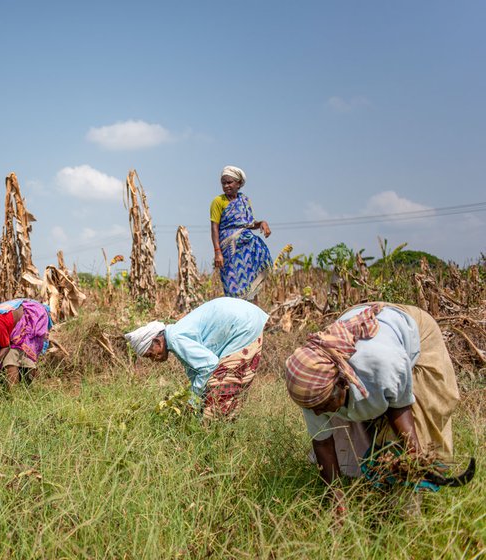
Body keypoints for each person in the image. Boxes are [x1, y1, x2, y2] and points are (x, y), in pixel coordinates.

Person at [284, 303, 460, 509]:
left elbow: (400, 409)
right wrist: (336, 500)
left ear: (342, 382)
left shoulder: (383, 366)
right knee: (360, 428)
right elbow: (323, 443)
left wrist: (414, 461)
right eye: (313, 408)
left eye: (323, 405)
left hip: (414, 331)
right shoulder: (311, 389)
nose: (317, 412)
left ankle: (406, 513)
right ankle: (373, 484)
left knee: (410, 433)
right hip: (358, 322)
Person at [125, 297, 268, 419]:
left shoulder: (175, 339)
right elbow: (195, 372)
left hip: (244, 326)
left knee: (218, 390)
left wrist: (193, 402)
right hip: (247, 320)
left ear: (157, 341)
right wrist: (194, 399)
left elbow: (208, 365)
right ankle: (225, 436)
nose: (153, 360)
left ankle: (215, 438)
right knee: (224, 393)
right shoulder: (175, 336)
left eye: (150, 355)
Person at [210, 165, 273, 301]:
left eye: (229, 182)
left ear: (238, 183)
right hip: (229, 249)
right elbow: (214, 228)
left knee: (251, 283)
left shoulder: (244, 200)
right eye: (223, 183)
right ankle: (236, 318)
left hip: (246, 247)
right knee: (232, 282)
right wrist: (217, 252)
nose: (226, 186)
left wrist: (262, 223)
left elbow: (249, 224)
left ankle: (253, 317)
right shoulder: (218, 202)